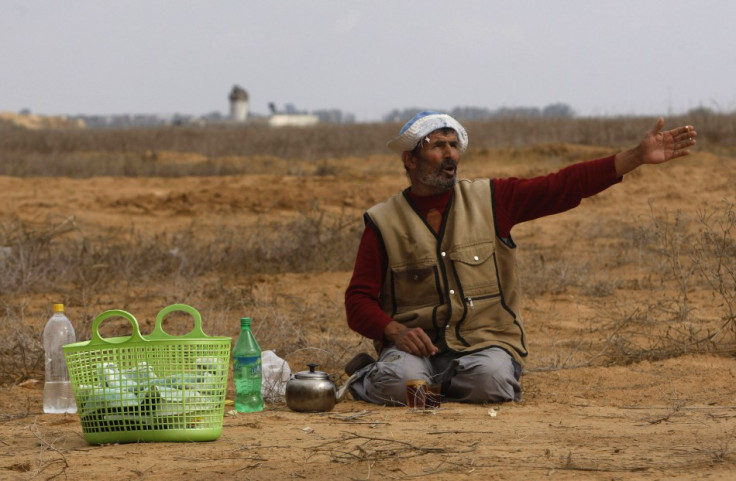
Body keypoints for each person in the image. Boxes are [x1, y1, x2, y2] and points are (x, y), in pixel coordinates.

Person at [343, 111, 697, 406]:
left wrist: (635, 156)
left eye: (454, 145)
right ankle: (372, 377)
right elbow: (358, 301)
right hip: (413, 350)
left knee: (491, 384)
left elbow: (562, 186)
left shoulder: (493, 199)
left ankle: (435, 386)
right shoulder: (384, 221)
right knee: (403, 385)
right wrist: (394, 330)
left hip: (482, 344)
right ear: (410, 159)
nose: (450, 154)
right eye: (438, 146)